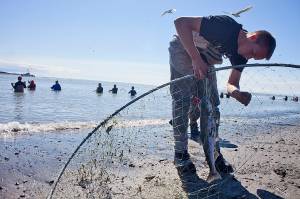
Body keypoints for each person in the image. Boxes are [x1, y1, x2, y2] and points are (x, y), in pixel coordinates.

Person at [169, 15, 276, 180]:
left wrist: (237, 93)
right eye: (253, 52)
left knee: (213, 105)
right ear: (252, 37)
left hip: (206, 60)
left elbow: (232, 83)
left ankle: (214, 154)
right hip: (184, 48)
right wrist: (196, 59)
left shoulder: (242, 56)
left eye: (255, 58)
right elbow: (181, 23)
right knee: (182, 102)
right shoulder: (226, 26)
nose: (250, 58)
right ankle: (181, 155)